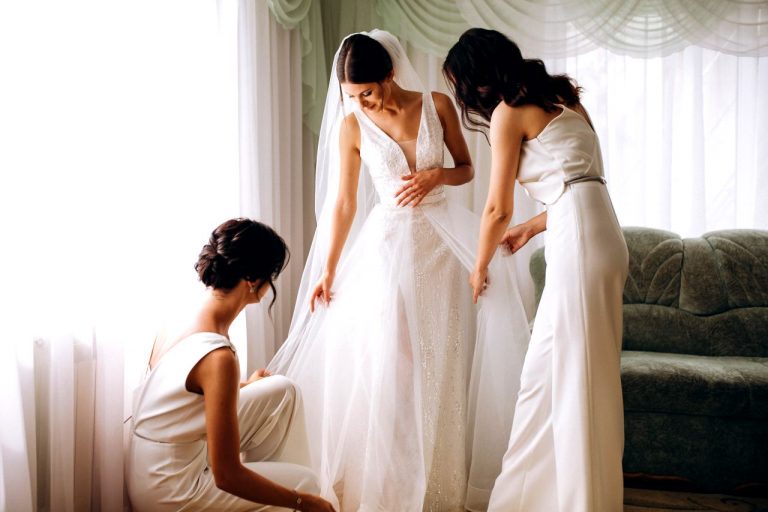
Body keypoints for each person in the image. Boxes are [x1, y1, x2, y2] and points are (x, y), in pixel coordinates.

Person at [268, 30, 530, 511]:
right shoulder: (352, 126)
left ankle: (434, 489)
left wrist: (437, 175)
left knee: (438, 366)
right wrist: (328, 268)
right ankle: (385, 489)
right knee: (390, 364)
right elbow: (344, 203)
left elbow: (468, 168)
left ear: (389, 73)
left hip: (440, 249)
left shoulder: (437, 105)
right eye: (352, 95)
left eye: (367, 91)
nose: (361, 102)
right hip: (386, 249)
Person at [444, 28, 629, 512]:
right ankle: (528, 498)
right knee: (548, 370)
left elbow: (494, 209)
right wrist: (530, 229)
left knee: (573, 372)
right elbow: (580, 179)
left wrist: (479, 264)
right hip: (601, 228)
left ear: (474, 77)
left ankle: (580, 501)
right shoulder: (563, 98)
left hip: (582, 238)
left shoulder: (508, 113)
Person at [125, 218, 336, 512]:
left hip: (150, 468)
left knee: (280, 392)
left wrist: (246, 386)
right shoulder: (219, 356)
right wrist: (302, 500)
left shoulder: (182, 318)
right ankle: (284, 500)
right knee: (306, 483)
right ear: (254, 279)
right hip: (171, 489)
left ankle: (270, 495)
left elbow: (180, 397)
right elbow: (227, 475)